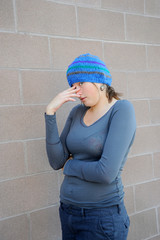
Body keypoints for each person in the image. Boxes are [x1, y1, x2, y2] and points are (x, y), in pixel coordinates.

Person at [45, 53, 136, 240]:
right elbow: (56, 161)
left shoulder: (121, 110)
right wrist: (50, 113)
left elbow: (105, 173)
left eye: (80, 84)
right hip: (68, 211)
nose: (76, 92)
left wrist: (69, 166)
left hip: (101, 217)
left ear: (100, 81)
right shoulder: (77, 112)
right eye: (73, 86)